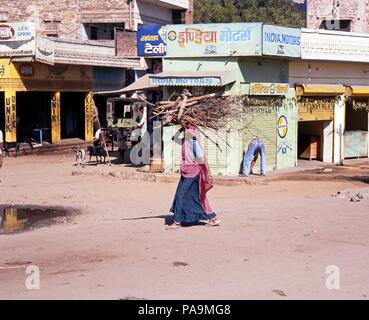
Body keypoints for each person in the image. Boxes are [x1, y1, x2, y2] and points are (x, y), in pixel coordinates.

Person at [167, 124, 221, 229]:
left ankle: (177, 221)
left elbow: (201, 157)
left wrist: (208, 172)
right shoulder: (186, 139)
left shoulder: (192, 138)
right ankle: (212, 218)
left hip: (192, 171)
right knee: (199, 195)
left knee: (180, 194)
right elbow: (174, 138)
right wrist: (181, 128)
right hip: (186, 170)